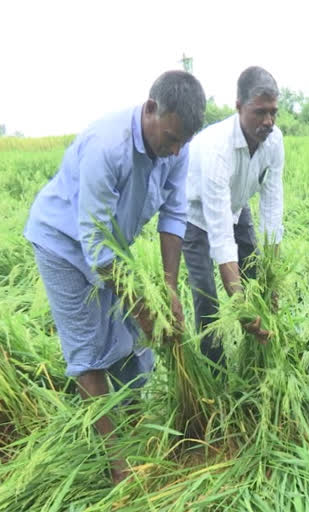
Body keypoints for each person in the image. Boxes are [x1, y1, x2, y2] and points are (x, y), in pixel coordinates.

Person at [24, 70, 206, 484]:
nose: (175, 151)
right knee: (89, 349)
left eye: (183, 142)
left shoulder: (178, 148)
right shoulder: (108, 147)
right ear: (151, 110)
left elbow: (174, 214)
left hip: (112, 247)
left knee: (136, 344)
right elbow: (94, 243)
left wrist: (167, 289)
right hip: (63, 244)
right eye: (170, 139)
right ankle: (119, 465)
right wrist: (141, 305)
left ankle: (137, 428)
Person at [183, 66, 284, 369]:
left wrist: (273, 276)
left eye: (273, 112)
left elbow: (271, 208)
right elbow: (219, 234)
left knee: (257, 277)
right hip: (197, 216)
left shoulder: (275, 140)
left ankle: (258, 356)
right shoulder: (217, 148)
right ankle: (216, 368)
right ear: (238, 107)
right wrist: (238, 302)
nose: (267, 121)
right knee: (207, 297)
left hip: (238, 206)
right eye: (259, 112)